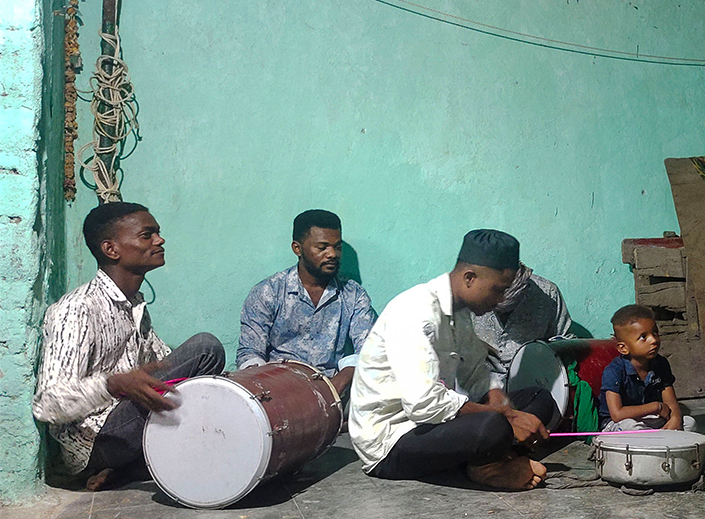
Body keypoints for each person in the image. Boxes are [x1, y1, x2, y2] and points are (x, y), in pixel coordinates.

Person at [33, 202, 226, 490]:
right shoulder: (76, 310)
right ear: (112, 250)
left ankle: (131, 468)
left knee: (207, 384)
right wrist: (113, 385)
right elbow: (46, 405)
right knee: (205, 347)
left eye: (157, 233)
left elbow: (165, 366)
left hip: (125, 424)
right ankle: (131, 464)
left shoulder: (134, 305)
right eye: (147, 235)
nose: (159, 241)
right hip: (95, 441)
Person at [349, 230, 559, 490]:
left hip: (432, 425)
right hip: (392, 440)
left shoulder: (459, 312)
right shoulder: (416, 312)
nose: (501, 300)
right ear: (469, 278)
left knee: (540, 399)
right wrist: (504, 418)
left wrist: (506, 407)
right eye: (497, 290)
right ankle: (488, 467)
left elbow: (475, 376)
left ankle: (491, 453)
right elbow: (423, 404)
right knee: (492, 426)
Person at [237, 209, 375, 397]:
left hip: (334, 392)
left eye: (337, 247)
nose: (332, 254)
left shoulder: (353, 295)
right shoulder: (269, 292)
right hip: (278, 392)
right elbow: (250, 353)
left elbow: (369, 351)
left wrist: (336, 385)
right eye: (322, 247)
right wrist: (266, 391)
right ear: (297, 248)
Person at [598, 305, 705, 447]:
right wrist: (655, 407)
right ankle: (688, 444)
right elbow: (617, 414)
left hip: (650, 421)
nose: (653, 340)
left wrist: (675, 418)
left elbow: (671, 402)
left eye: (655, 333)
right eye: (643, 337)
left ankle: (677, 444)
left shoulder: (661, 363)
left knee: (689, 422)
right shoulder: (614, 371)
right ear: (623, 348)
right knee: (631, 429)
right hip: (619, 424)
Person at [472, 264, 573, 388]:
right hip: (480, 382)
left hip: (533, 382)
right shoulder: (470, 295)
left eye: (509, 308)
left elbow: (566, 343)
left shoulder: (549, 294)